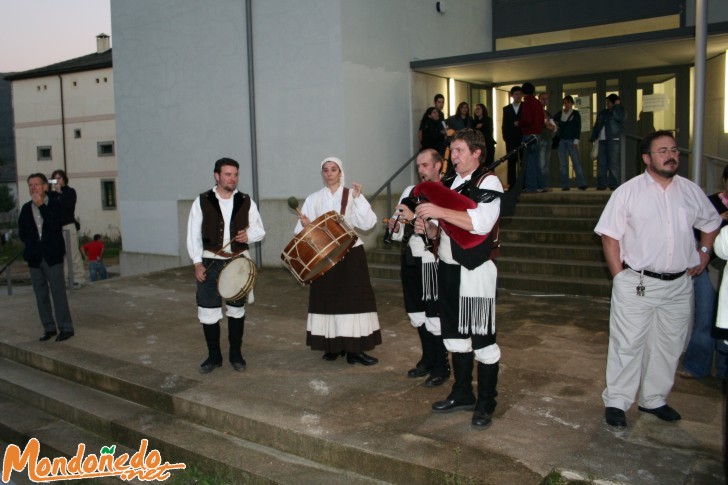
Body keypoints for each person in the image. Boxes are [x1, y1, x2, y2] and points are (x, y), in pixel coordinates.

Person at [594, 130, 721, 428]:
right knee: (627, 345)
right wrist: (619, 277)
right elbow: (610, 236)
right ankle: (617, 401)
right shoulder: (627, 192)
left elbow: (711, 222)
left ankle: (654, 399)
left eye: (674, 150)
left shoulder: (690, 191)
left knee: (669, 345)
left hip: (679, 285)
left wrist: (704, 251)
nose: (671, 155)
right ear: (647, 158)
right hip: (637, 283)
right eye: (663, 151)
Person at [414, 128, 502, 429]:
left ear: (477, 152)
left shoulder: (487, 181)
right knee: (454, 335)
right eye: (452, 151)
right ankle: (463, 391)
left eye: (461, 150)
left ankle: (487, 400)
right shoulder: (450, 182)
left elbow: (480, 223)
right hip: (448, 267)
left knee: (481, 337)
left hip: (475, 271)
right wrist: (428, 228)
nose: (455, 157)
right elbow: (443, 229)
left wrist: (438, 208)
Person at [295, 157, 381, 365]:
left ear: (341, 172)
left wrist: (359, 199)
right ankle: (332, 345)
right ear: (322, 173)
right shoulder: (313, 198)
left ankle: (354, 350)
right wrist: (306, 226)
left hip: (351, 254)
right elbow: (300, 233)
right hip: (324, 256)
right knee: (328, 301)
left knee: (354, 302)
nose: (330, 173)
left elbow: (368, 223)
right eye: (325, 170)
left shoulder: (352, 195)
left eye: (334, 169)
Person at [187, 157, 266, 374]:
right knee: (208, 310)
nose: (233, 178)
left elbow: (260, 230)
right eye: (228, 174)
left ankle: (235, 354)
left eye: (236, 174)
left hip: (237, 263)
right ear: (217, 176)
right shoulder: (202, 200)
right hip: (210, 262)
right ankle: (214, 356)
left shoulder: (245, 200)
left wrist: (248, 234)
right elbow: (193, 234)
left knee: (236, 310)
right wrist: (197, 263)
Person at [388, 149, 450, 387]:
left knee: (434, 312)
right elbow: (402, 222)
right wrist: (396, 225)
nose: (421, 170)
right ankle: (427, 357)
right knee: (417, 311)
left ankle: (441, 365)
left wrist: (414, 218)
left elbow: (440, 229)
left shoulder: (447, 192)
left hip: (431, 261)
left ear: (438, 166)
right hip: (410, 258)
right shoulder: (410, 192)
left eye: (425, 165)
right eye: (419, 166)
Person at [680, 163, 728, 379]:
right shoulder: (710, 202)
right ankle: (697, 366)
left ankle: (723, 369)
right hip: (709, 268)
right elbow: (695, 233)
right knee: (705, 317)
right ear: (725, 181)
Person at [18, 173, 75, 342]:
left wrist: (42, 206)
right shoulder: (26, 209)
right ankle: (49, 328)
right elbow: (23, 233)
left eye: (36, 184)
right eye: (30, 185)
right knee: (40, 294)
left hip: (52, 256)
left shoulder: (55, 203)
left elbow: (54, 225)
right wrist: (32, 247)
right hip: (35, 258)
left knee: (58, 293)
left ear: (44, 186)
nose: (33, 187)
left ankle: (66, 327)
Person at [50, 169, 85, 289]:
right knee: (61, 255)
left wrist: (60, 194)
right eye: (55, 178)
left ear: (64, 179)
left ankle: (78, 278)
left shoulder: (70, 192)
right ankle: (63, 279)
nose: (57, 181)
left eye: (59, 178)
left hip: (68, 225)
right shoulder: (52, 195)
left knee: (73, 253)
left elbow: (68, 207)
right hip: (56, 228)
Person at [590, 94, 626, 190]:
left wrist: (617, 106)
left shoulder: (619, 111)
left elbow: (619, 118)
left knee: (613, 163)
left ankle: (613, 185)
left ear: (614, 102)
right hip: (602, 140)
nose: (607, 104)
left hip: (613, 140)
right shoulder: (603, 113)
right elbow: (597, 125)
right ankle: (602, 184)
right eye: (606, 102)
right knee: (601, 163)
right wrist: (593, 136)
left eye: (609, 102)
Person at [553, 95, 587, 191]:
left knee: (576, 162)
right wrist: (555, 128)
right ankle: (565, 185)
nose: (566, 105)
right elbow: (552, 121)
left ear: (572, 103)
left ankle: (582, 183)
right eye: (564, 103)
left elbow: (578, 128)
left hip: (572, 140)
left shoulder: (575, 114)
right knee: (563, 164)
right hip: (561, 141)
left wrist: (576, 141)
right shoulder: (559, 113)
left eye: (568, 102)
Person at [519, 82, 547, 193]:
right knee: (537, 161)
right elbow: (541, 121)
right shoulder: (537, 102)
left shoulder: (526, 103)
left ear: (523, 92)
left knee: (529, 162)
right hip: (538, 134)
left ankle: (531, 187)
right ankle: (541, 185)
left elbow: (527, 120)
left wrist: (519, 123)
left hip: (528, 135)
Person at [501, 86, 523, 190]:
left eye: (519, 94)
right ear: (512, 95)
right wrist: (505, 137)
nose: (518, 96)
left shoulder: (525, 107)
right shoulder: (507, 109)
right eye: (516, 94)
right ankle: (511, 184)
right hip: (511, 139)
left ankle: (524, 184)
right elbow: (504, 124)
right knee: (511, 161)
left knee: (523, 161)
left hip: (523, 138)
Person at [537, 93, 556, 190]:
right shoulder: (537, 112)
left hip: (548, 140)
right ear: (539, 99)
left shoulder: (547, 113)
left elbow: (554, 127)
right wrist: (546, 125)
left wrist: (547, 125)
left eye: (546, 99)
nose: (545, 101)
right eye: (542, 99)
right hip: (541, 140)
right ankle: (542, 185)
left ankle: (545, 185)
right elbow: (541, 125)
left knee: (546, 165)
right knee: (542, 164)